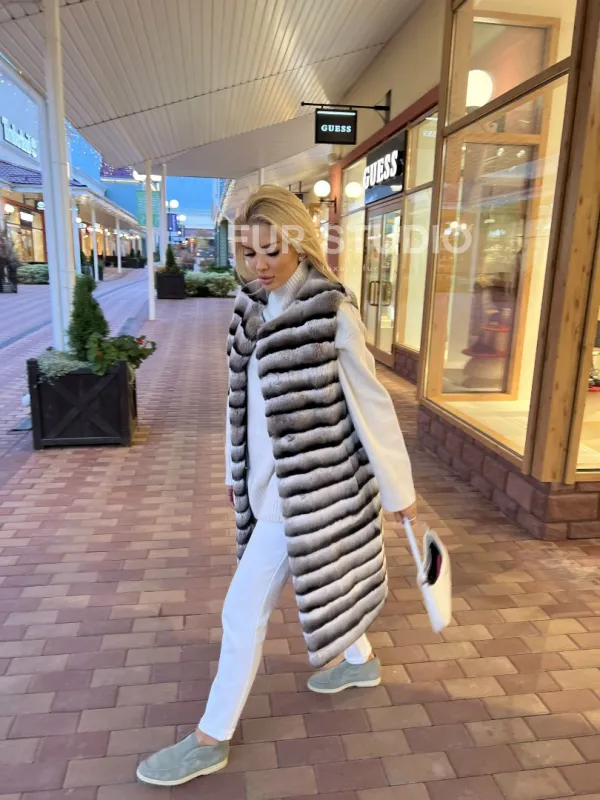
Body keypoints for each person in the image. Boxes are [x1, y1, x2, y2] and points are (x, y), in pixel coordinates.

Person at [137, 185, 417, 787]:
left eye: (273, 251)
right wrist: (233, 471)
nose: (260, 265)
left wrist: (400, 494)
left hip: (313, 491)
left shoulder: (330, 313)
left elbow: (372, 405)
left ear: (299, 244)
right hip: (266, 485)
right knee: (326, 575)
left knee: (242, 609)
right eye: (249, 253)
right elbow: (237, 401)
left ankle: (211, 737)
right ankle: (359, 660)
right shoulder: (247, 308)